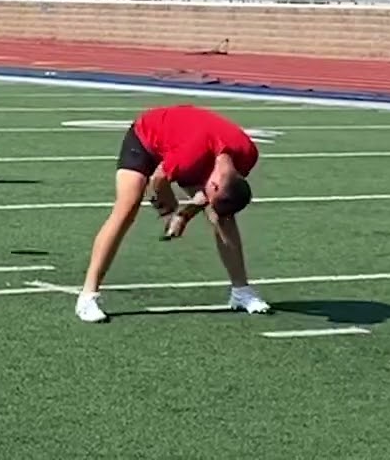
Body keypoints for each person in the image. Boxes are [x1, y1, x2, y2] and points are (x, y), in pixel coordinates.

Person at [76, 104, 271, 323]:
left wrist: (184, 215)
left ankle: (241, 291)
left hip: (194, 152)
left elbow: (208, 196)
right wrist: (168, 202)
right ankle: (87, 296)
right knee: (126, 208)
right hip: (147, 137)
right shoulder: (189, 156)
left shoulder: (246, 155)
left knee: (223, 218)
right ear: (214, 185)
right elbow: (158, 180)